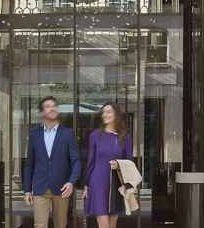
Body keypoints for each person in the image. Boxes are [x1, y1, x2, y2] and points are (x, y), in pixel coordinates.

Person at [23, 96, 81, 228]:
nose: (52, 108)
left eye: (54, 105)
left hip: (61, 188)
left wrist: (71, 182)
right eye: (48, 106)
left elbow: (76, 161)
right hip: (40, 187)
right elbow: (29, 164)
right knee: (40, 225)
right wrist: (27, 190)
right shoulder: (34, 135)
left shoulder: (68, 134)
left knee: (61, 225)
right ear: (42, 112)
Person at [83, 103, 134, 228]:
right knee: (103, 223)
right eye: (103, 112)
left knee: (112, 223)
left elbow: (130, 161)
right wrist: (86, 185)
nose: (105, 115)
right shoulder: (95, 135)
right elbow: (91, 161)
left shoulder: (125, 137)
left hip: (116, 183)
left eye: (109, 112)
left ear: (116, 114)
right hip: (98, 182)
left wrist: (118, 164)